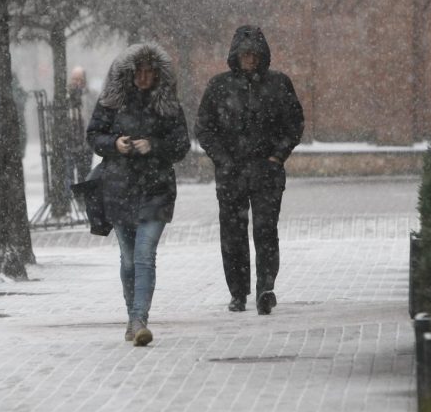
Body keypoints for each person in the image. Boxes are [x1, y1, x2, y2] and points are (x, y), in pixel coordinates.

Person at [195, 25, 305, 315]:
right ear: (236, 55)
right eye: (245, 54)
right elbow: (204, 128)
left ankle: (265, 288)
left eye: (255, 54)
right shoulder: (219, 87)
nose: (250, 59)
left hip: (266, 171)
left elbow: (294, 124)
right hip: (231, 173)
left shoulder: (278, 84)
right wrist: (223, 159)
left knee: (265, 230)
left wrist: (277, 156)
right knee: (233, 234)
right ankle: (238, 291)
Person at [87, 43, 190, 346]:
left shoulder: (168, 106)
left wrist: (153, 146)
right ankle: (132, 315)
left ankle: (139, 318)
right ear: (129, 74)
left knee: (145, 255)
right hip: (119, 190)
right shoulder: (112, 103)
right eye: (139, 72)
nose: (144, 78)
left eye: (150, 72)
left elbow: (182, 144)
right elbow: (93, 135)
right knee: (129, 260)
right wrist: (115, 144)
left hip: (156, 189)